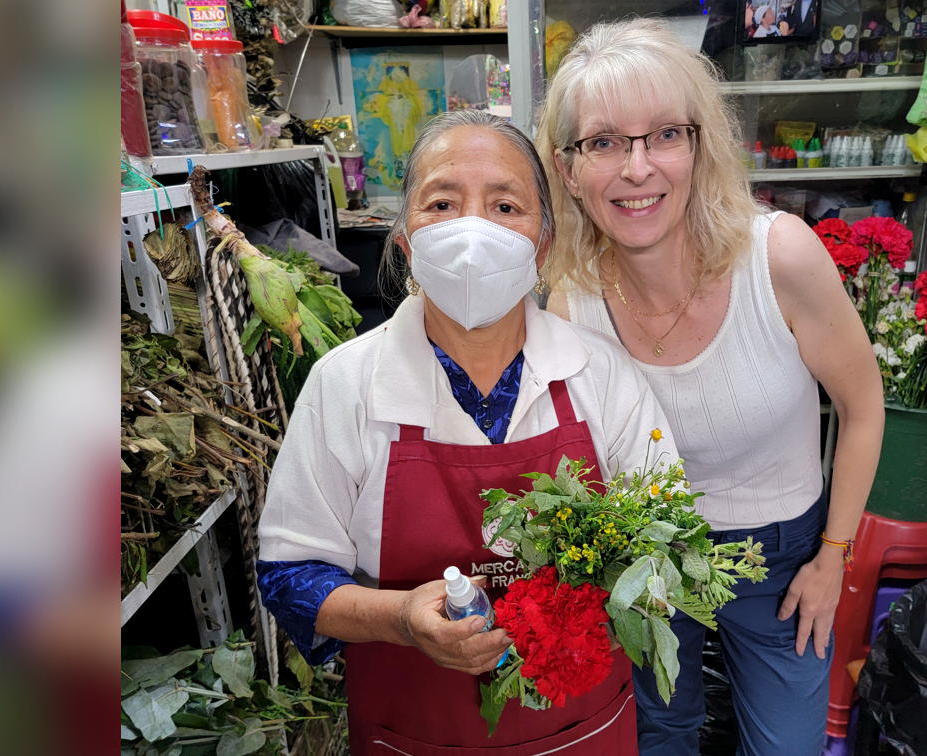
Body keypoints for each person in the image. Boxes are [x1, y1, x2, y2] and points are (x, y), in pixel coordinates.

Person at [256, 109, 679, 755]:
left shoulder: (604, 376)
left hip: (580, 726)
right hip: (411, 730)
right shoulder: (345, 385)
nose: (474, 230)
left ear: (542, 245)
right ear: (405, 245)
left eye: (505, 206)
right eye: (443, 203)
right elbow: (289, 575)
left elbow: (665, 538)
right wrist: (400, 619)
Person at [537, 19, 884, 756]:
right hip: (648, 554)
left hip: (783, 553)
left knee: (786, 747)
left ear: (700, 145)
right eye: (603, 142)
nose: (637, 169)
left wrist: (833, 561)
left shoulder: (778, 258)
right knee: (662, 732)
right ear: (567, 170)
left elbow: (863, 407)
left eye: (664, 134)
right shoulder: (571, 300)